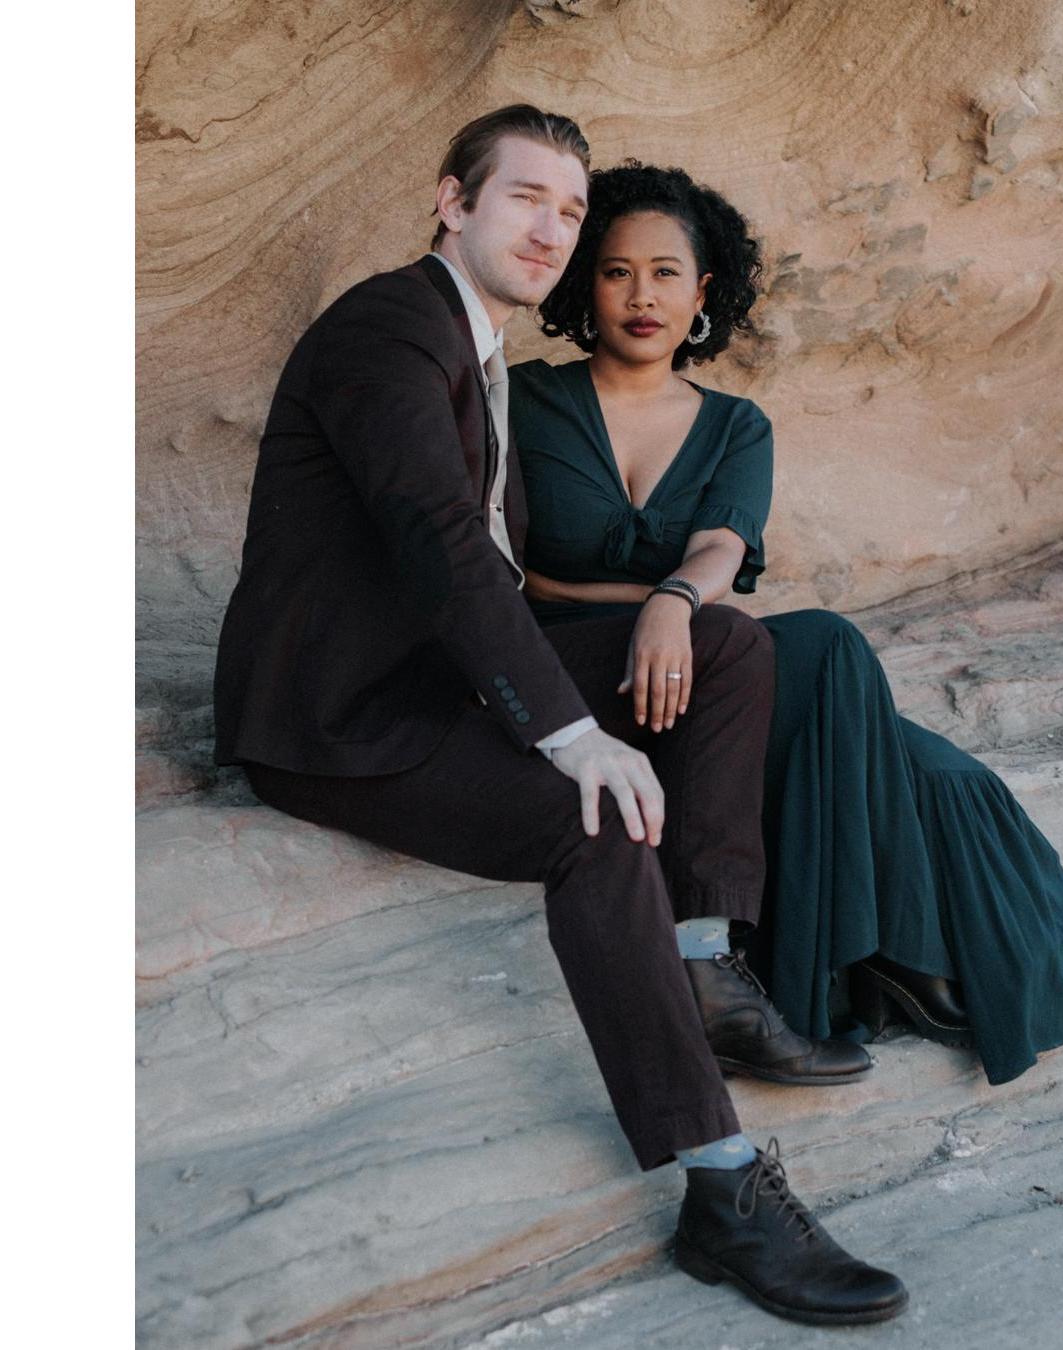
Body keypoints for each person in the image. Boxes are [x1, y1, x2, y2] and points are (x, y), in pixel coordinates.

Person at [212, 106, 908, 1327]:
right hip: (345, 719)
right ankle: (722, 1185)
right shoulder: (390, 328)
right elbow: (441, 546)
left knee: (732, 642)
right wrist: (567, 729)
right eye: (524, 197)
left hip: (444, 676)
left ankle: (702, 966)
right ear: (453, 200)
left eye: (570, 209)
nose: (551, 229)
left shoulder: (469, 344)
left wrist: (661, 609)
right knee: (594, 826)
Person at [508, 161, 1063, 1091]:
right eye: (616, 271)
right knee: (832, 670)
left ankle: (874, 958)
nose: (642, 295)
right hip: (568, 670)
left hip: (691, 662)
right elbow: (513, 568)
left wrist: (674, 602)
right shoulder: (526, 400)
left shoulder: (735, 426)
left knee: (927, 759)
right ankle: (844, 974)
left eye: (666, 273)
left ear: (703, 292)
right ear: (582, 283)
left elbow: (723, 544)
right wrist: (654, 611)